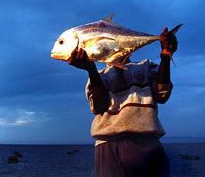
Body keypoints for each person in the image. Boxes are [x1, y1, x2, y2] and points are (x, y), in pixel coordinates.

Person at [68, 27, 178, 177]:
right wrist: (91, 70)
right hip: (109, 145)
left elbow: (162, 95)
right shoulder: (99, 76)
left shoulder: (146, 67)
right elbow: (100, 107)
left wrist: (165, 57)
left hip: (148, 144)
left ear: (130, 49)